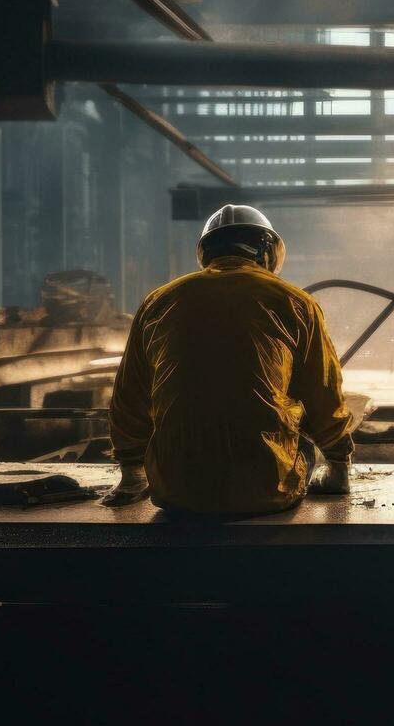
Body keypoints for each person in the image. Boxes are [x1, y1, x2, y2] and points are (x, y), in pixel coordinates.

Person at [104, 204, 354, 514]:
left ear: (206, 252)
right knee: (300, 436)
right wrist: (339, 465)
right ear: (268, 251)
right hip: (265, 492)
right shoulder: (295, 302)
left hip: (175, 493)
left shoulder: (158, 302)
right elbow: (323, 394)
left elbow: (129, 397)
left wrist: (132, 475)